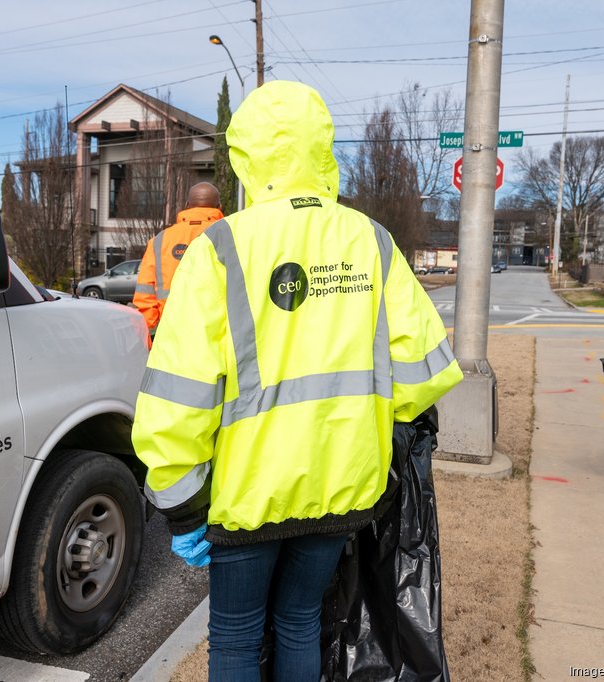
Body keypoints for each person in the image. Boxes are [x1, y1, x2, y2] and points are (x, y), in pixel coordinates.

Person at [131, 80, 462, 680]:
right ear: (322, 150)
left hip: (245, 495)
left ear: (247, 158)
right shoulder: (372, 241)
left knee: (234, 635)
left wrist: (180, 503)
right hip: (342, 487)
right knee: (302, 620)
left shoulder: (221, 248)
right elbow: (424, 377)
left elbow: (178, 396)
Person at [132, 182, 223, 343]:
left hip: (171, 334)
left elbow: (145, 294)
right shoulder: (231, 237)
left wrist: (149, 337)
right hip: (217, 334)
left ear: (187, 206)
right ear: (220, 207)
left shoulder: (160, 241)